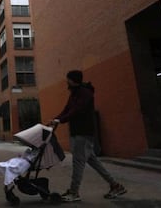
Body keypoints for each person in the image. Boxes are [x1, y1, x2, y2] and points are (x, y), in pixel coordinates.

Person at [50, 70, 127, 202]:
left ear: (73, 80)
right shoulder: (74, 93)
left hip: (83, 133)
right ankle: (115, 186)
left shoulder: (85, 93)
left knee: (78, 162)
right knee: (93, 161)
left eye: (68, 79)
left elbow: (76, 110)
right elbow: (67, 109)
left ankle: (74, 192)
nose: (66, 81)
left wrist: (61, 120)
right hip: (77, 132)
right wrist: (55, 119)